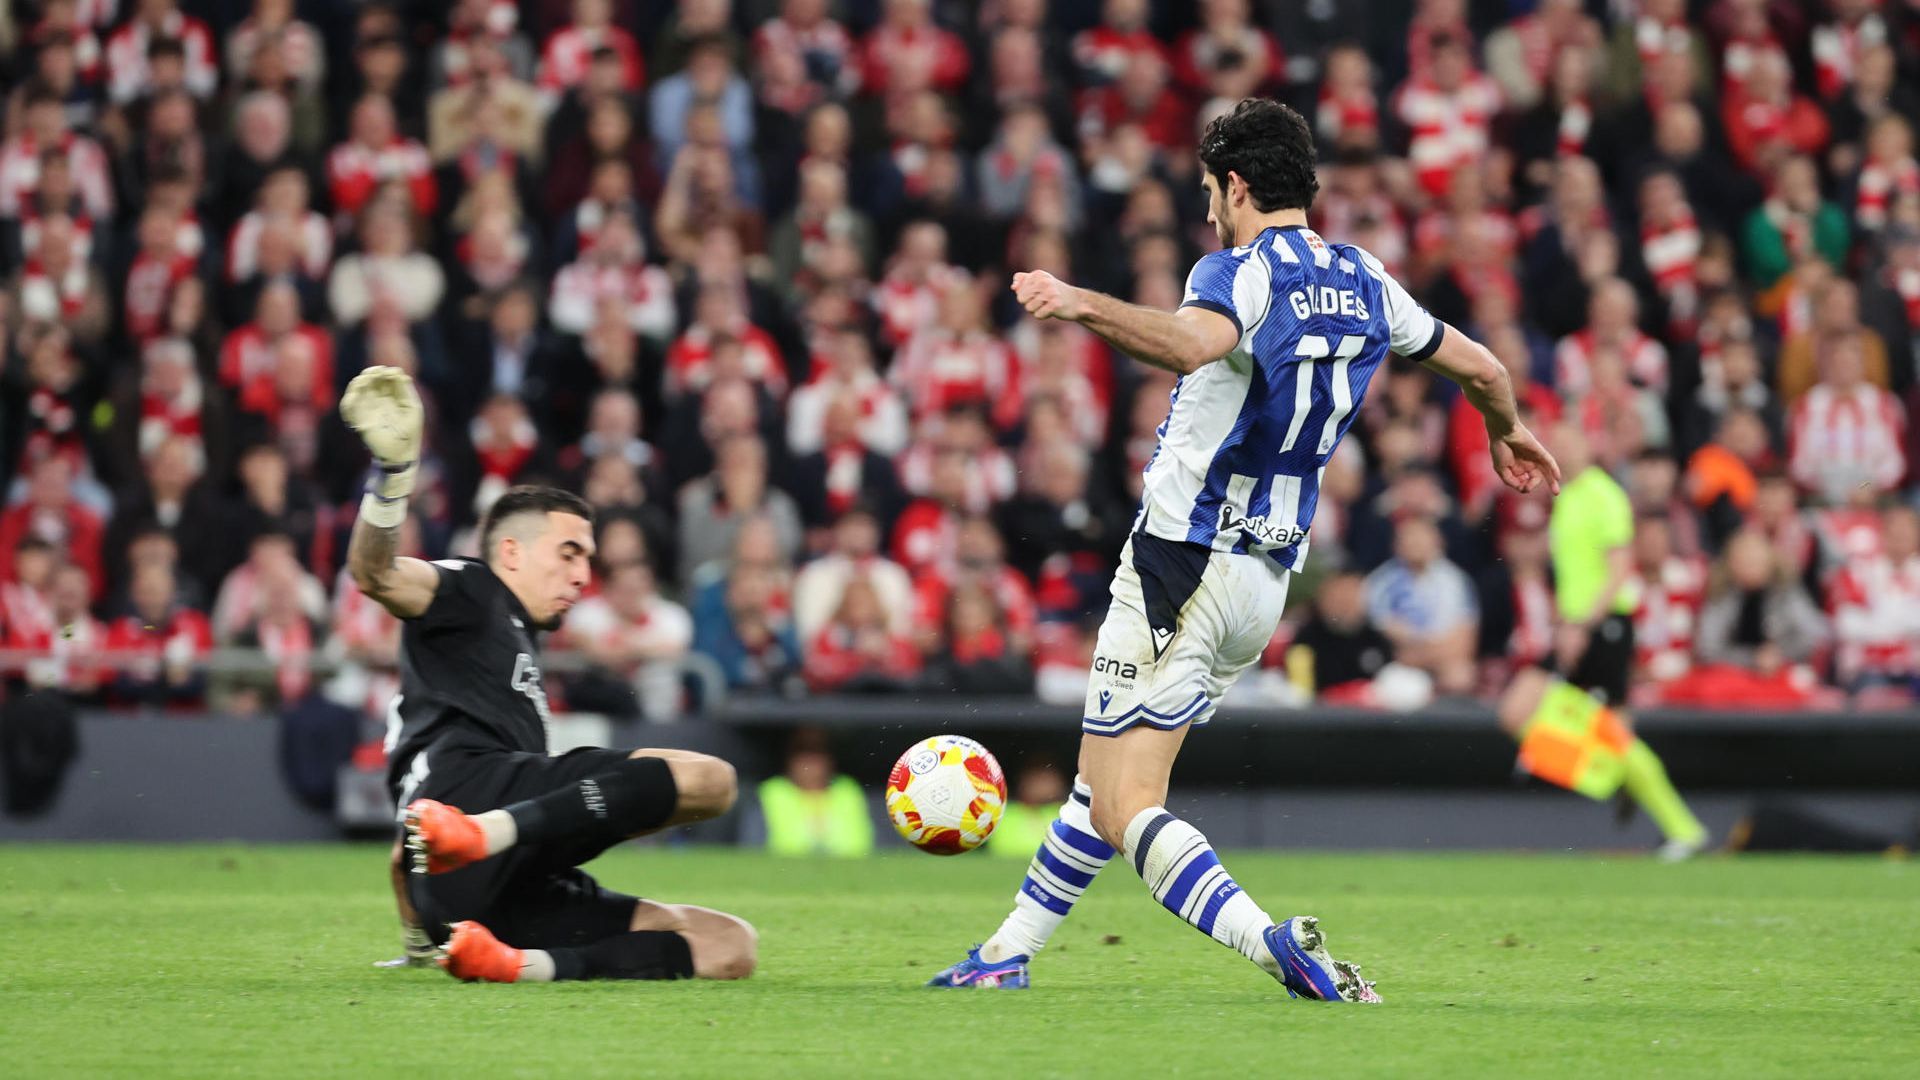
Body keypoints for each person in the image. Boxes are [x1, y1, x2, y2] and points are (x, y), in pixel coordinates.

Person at [928, 98, 1561, 1001]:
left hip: (1181, 562)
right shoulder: (1367, 278)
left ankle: (1277, 947)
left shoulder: (1242, 270)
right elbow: (1485, 370)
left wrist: (1076, 304)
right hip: (1263, 582)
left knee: (1128, 803)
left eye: (1208, 193)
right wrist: (1507, 432)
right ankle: (1004, 955)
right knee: (1100, 780)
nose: (1207, 213)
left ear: (1233, 185)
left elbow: (1192, 344)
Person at [338, 365, 756, 985]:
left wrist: (419, 933)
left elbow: (410, 847)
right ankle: (486, 835)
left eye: (587, 560)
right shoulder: (471, 586)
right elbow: (378, 574)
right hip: (480, 802)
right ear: (510, 551)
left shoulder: (496, 645)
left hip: (480, 892)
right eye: (569, 554)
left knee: (730, 947)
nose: (584, 576)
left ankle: (520, 965)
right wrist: (394, 478)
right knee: (711, 780)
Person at [1493, 421, 1709, 859]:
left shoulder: (1603, 495)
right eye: (1557, 439)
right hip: (1579, 625)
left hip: (1603, 625)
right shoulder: (1568, 494)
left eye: (1572, 438)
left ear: (1591, 444)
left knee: (1602, 730)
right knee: (1526, 714)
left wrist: (1583, 625)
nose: (1563, 446)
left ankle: (1680, 826)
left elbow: (1618, 569)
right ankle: (1617, 776)